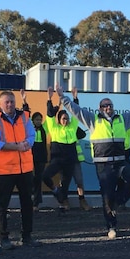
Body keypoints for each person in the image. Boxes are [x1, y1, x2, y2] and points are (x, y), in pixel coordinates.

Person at [58, 85, 130, 238]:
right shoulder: (93, 120)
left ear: (113, 108)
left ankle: (119, 201)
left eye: (110, 105)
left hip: (120, 162)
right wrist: (62, 97)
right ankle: (111, 226)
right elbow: (75, 110)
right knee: (107, 197)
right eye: (104, 105)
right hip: (103, 166)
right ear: (99, 108)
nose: (107, 107)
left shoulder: (122, 120)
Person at [0, 91, 40, 249]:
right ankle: (3, 238)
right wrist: (16, 147)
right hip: (6, 170)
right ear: (1, 104)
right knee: (2, 205)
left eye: (11, 101)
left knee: (27, 203)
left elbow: (32, 134)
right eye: (6, 102)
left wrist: (27, 144)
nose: (9, 105)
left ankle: (27, 236)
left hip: (24, 169)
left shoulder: (24, 117)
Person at [43, 86, 84, 214]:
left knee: (65, 184)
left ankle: (63, 202)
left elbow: (76, 113)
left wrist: (75, 99)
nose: (65, 120)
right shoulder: (54, 128)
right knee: (45, 176)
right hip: (57, 159)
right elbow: (50, 115)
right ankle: (56, 191)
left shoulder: (72, 127)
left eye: (67, 118)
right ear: (59, 120)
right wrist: (49, 99)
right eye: (63, 119)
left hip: (70, 159)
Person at [30, 111, 48, 210]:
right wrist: (25, 103)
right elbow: (26, 115)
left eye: (40, 120)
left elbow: (50, 116)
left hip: (41, 156)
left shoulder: (44, 128)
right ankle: (30, 198)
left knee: (38, 178)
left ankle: (36, 202)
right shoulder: (29, 129)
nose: (39, 121)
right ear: (32, 120)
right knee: (29, 178)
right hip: (30, 155)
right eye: (37, 119)